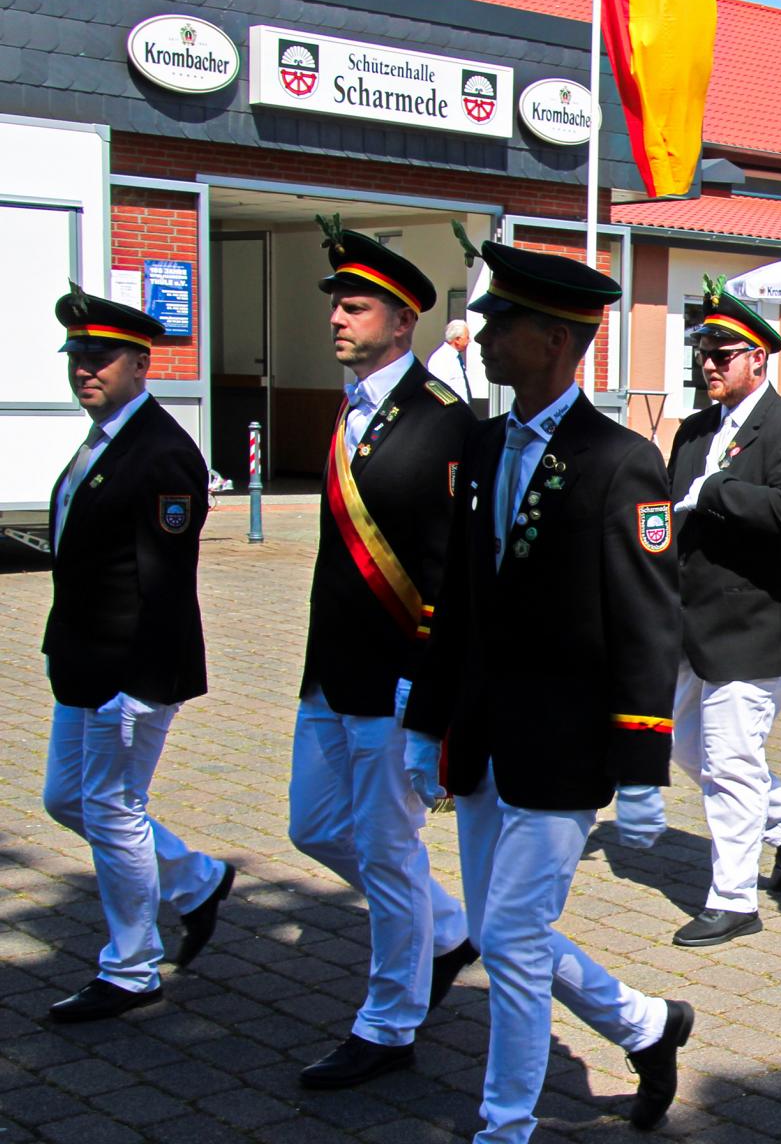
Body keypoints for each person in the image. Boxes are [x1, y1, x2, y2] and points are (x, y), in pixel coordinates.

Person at [403, 236, 693, 1137]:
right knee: (504, 932)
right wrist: (426, 722)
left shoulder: (619, 461)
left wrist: (641, 768)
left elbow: (648, 623)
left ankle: (506, 1125)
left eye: (504, 324)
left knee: (513, 941)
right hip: (485, 736)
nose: (485, 338)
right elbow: (460, 597)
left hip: (565, 747)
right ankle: (646, 1026)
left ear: (557, 341)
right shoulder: (486, 443)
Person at [289, 220, 479, 1089]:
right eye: (337, 305)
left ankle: (388, 1021)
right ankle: (447, 930)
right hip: (332, 668)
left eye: (356, 307)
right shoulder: (352, 407)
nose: (338, 318)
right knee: (315, 826)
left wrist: (427, 689)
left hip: (397, 676)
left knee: (386, 849)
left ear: (403, 323)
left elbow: (453, 570)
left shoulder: (443, 422)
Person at [40, 286, 234, 1022]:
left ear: (141, 365)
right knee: (67, 799)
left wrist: (143, 687)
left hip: (132, 671)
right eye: (77, 357)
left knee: (112, 807)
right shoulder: (104, 438)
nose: (85, 370)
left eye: (102, 358)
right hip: (84, 660)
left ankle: (130, 968)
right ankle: (196, 881)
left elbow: (166, 582)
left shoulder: (161, 453)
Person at [663, 277, 781, 948]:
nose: (708, 363)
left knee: (731, 760)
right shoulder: (695, 429)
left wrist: (718, 491)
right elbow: (672, 513)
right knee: (682, 742)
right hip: (696, 620)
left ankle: (732, 899)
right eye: (702, 351)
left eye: (723, 353)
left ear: (758, 358)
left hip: (760, 624)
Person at [427, 316, 487, 409]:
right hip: (451, 411)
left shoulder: (456, 358)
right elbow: (438, 391)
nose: (469, 341)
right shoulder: (440, 359)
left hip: (462, 409)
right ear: (457, 339)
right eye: (467, 337)